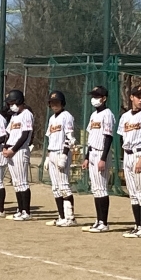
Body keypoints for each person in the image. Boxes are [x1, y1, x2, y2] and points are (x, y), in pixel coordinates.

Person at [117, 85, 141, 238]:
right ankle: (137, 226)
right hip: (128, 155)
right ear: (131, 97)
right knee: (133, 193)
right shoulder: (125, 116)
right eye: (138, 96)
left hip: (140, 154)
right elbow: (121, 137)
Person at [81, 86, 115, 232]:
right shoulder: (93, 115)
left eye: (97, 96)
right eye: (93, 96)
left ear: (104, 98)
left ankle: (104, 222)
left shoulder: (107, 114)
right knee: (96, 189)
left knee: (102, 189)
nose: (94, 99)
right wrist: (86, 157)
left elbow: (108, 137)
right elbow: (91, 138)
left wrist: (103, 158)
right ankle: (98, 220)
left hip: (102, 153)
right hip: (93, 152)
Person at [43, 90, 77, 227]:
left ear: (62, 103)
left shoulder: (66, 116)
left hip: (61, 153)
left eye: (57, 102)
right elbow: (50, 139)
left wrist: (64, 154)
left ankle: (70, 218)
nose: (54, 105)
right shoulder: (52, 118)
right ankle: (61, 216)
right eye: (52, 103)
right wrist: (47, 156)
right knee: (55, 188)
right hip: (52, 153)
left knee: (64, 186)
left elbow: (70, 138)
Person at [3, 89, 33, 221]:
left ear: (20, 101)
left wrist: (13, 149)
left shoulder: (27, 114)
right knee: (16, 183)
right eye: (9, 103)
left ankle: (26, 211)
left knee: (22, 182)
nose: (11, 105)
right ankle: (20, 210)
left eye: (13, 102)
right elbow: (8, 134)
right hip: (11, 150)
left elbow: (25, 135)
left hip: (20, 150)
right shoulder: (14, 116)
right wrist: (5, 147)